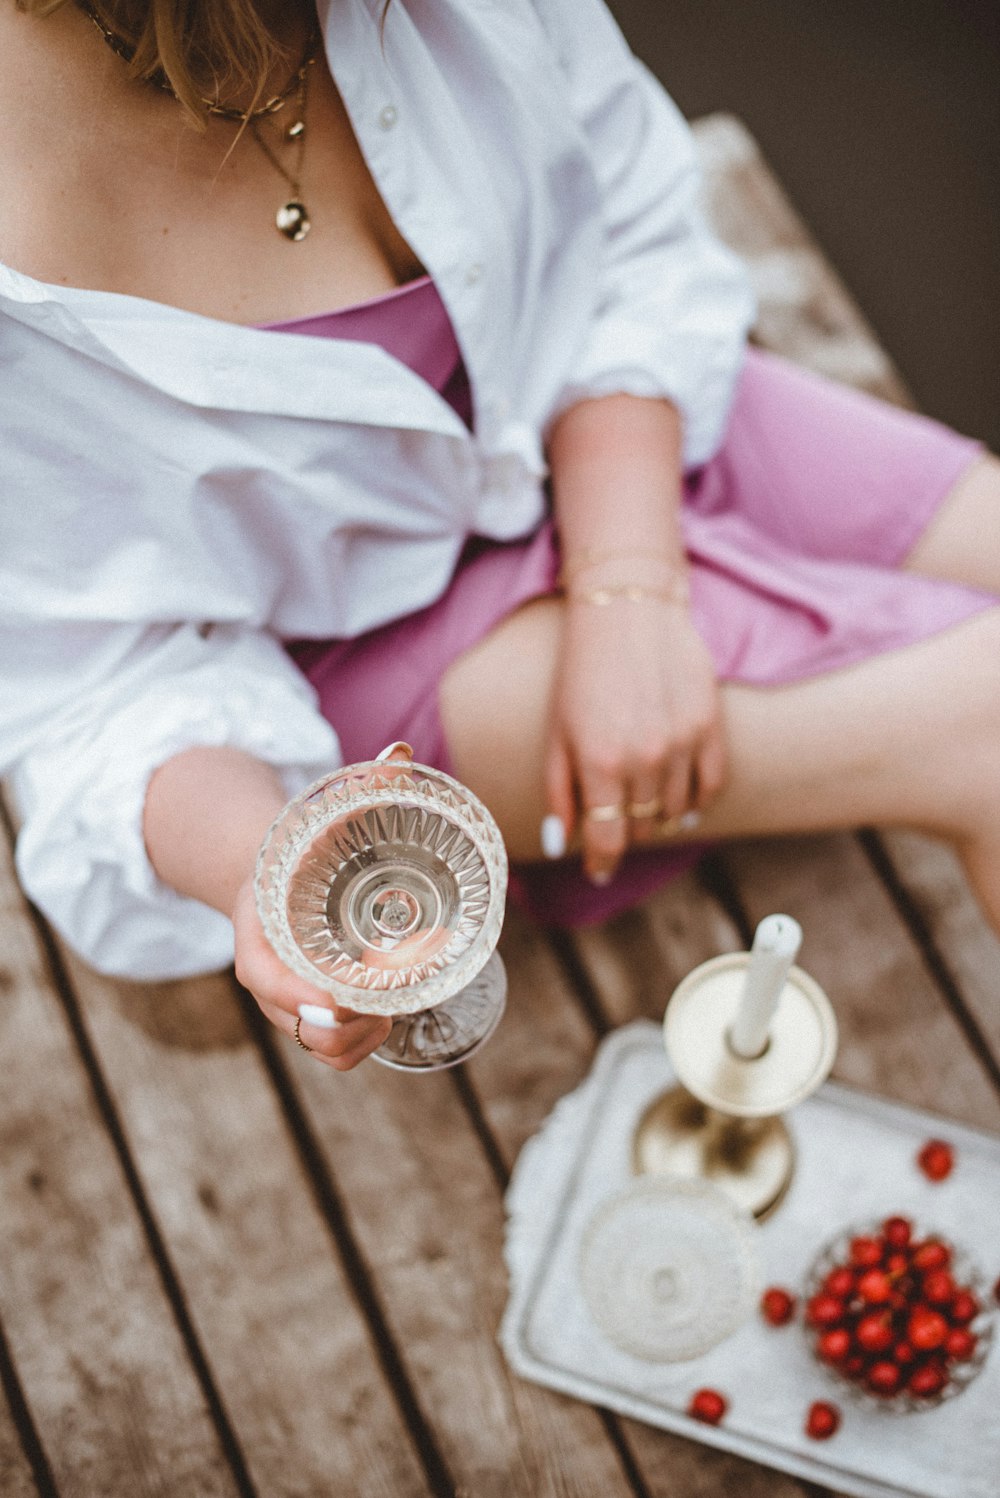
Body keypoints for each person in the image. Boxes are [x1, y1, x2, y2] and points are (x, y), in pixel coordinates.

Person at [2, 0, 998, 1074]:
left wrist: (628, 586)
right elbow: (85, 695)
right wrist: (272, 868)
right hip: (343, 669)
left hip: (608, 398)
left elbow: (623, 216)